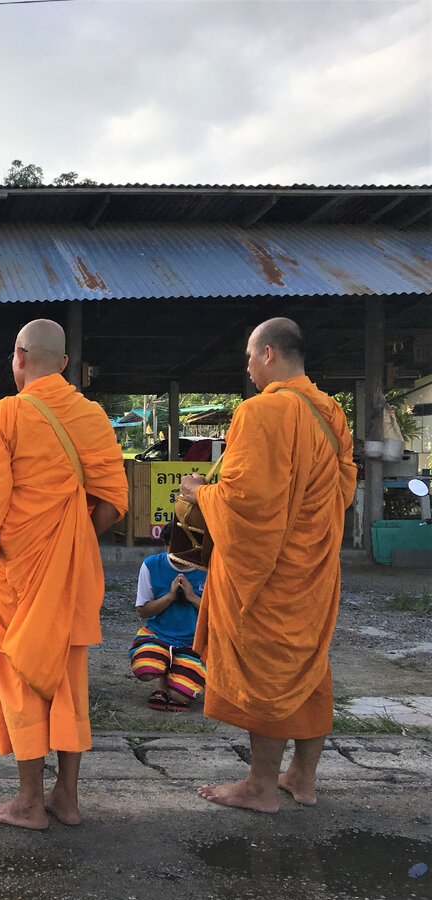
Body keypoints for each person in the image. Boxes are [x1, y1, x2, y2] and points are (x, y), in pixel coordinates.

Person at [0, 319, 128, 830]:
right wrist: (69, 542)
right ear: (66, 364)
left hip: (17, 574)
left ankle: (29, 801)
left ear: (19, 358)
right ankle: (67, 798)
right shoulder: (92, 416)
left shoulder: (3, 416)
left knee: (22, 675)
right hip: (71, 573)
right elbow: (113, 504)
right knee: (69, 680)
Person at [179, 317, 355, 813]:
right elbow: (343, 490)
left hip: (271, 569)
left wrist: (198, 492)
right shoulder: (330, 413)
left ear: (270, 354)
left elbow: (246, 503)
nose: (249, 368)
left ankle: (259, 786)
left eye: (250, 358)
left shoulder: (261, 412)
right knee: (309, 664)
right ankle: (301, 776)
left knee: (270, 667)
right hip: (314, 564)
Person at [129, 523, 206, 712]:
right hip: (158, 636)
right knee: (146, 669)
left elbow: (219, 615)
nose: (181, 553)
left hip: (194, 642)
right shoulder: (151, 564)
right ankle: (163, 681)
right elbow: (143, 611)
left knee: (179, 698)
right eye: (175, 546)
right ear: (166, 544)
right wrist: (170, 597)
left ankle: (179, 678)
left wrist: (192, 597)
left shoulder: (207, 568)